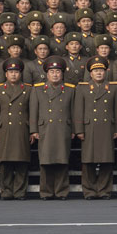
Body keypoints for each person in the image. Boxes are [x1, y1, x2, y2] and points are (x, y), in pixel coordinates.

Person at [28, 61, 76, 200]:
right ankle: (46, 192)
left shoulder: (70, 89)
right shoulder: (38, 89)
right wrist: (33, 130)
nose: (55, 75)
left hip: (63, 129)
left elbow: (74, 111)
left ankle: (61, 191)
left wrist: (74, 129)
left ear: (62, 74)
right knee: (45, 161)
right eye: (52, 72)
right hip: (45, 129)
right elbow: (33, 112)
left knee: (62, 161)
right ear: (47, 74)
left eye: (58, 72)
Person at [75, 62, 117, 199]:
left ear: (106, 72)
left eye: (101, 70)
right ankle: (89, 191)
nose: (99, 73)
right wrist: (79, 130)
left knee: (106, 161)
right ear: (90, 73)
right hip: (89, 128)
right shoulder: (82, 88)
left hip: (107, 128)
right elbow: (78, 111)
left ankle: (104, 190)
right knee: (88, 161)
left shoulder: (113, 87)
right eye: (96, 71)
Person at [0, 62, 32, 199]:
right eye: (11, 72)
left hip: (22, 129)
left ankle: (20, 192)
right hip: (5, 129)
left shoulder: (28, 89)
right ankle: (6, 191)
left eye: (16, 72)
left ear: (20, 74)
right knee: (5, 162)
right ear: (5, 74)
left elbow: (31, 112)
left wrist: (32, 131)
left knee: (22, 162)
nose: (13, 74)